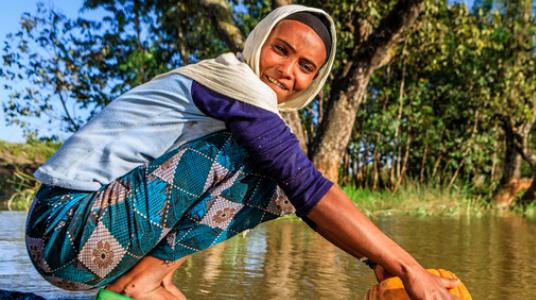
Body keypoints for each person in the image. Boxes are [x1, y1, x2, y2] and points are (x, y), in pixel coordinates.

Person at [24, 4, 459, 300]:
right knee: (272, 169)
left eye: (306, 67)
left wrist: (375, 262)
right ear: (258, 42)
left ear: (315, 79)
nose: (288, 71)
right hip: (67, 230)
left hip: (82, 240)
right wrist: (407, 267)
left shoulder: (238, 94)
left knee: (270, 167)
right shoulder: (236, 83)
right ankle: (142, 282)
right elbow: (304, 186)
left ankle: (149, 278)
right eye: (281, 50)